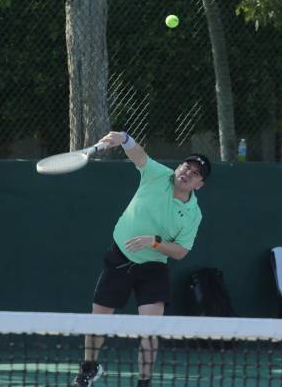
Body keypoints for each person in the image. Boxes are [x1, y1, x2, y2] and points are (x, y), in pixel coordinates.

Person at [71, 130, 211, 387]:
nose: (187, 173)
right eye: (185, 166)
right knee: (97, 320)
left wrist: (155, 242)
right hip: (120, 258)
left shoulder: (193, 215)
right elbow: (139, 155)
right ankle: (89, 367)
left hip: (153, 268)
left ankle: (144, 382)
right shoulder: (158, 174)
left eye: (195, 173)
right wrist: (124, 138)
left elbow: (181, 251)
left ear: (199, 184)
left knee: (149, 329)